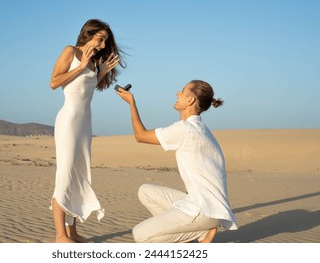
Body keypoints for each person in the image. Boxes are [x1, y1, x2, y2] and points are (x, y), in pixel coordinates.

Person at [116, 80, 238, 243]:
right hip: (205, 205)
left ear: (190, 100)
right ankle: (195, 232)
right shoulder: (200, 129)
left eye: (182, 91)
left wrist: (131, 103)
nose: (177, 93)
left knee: (140, 234)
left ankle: (197, 233)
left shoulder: (185, 129)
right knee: (145, 191)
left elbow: (141, 136)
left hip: (204, 210)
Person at [50, 19, 125, 243]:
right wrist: (81, 66)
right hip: (69, 120)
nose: (103, 45)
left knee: (78, 176)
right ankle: (60, 235)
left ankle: (72, 233)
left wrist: (100, 72)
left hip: (85, 123)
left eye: (105, 41)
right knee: (64, 175)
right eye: (100, 39)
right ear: (88, 34)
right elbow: (54, 83)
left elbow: (86, 88)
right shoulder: (70, 52)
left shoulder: (92, 61)